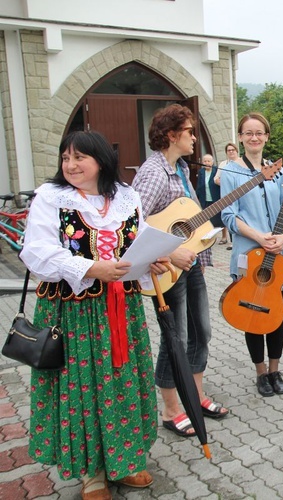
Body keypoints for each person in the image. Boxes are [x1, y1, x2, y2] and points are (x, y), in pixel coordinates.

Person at [20, 131, 170, 500]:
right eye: (65, 158)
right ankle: (93, 473)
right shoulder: (51, 198)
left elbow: (139, 237)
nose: (70, 165)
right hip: (74, 312)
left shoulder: (125, 196)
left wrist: (155, 256)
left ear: (100, 160)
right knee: (83, 386)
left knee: (123, 382)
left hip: (123, 308)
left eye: (78, 158)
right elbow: (35, 252)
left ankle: (125, 459)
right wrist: (90, 268)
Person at [132, 104, 229, 438]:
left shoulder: (183, 171)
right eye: (190, 132)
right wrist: (171, 252)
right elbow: (132, 225)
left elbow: (185, 217)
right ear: (172, 134)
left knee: (202, 334)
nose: (194, 138)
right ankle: (172, 410)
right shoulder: (153, 173)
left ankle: (196, 397)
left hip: (193, 265)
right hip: (168, 271)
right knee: (176, 339)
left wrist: (205, 236)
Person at [221, 112, 283, 397]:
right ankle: (261, 372)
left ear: (266, 136)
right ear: (240, 137)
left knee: (277, 315)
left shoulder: (276, 170)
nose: (254, 138)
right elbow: (228, 215)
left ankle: (276, 369)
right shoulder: (230, 171)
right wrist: (258, 236)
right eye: (248, 133)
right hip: (248, 253)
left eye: (259, 133)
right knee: (251, 316)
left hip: (279, 255)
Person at [195, 153, 227, 244]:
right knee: (207, 219)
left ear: (212, 162)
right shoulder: (201, 172)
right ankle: (209, 237)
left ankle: (224, 237)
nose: (207, 163)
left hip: (216, 196)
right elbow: (199, 185)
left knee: (220, 217)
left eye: (208, 161)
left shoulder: (216, 170)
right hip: (205, 197)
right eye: (205, 161)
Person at [215, 143, 240, 246]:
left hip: (240, 195)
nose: (231, 152)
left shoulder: (241, 163)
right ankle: (232, 242)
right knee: (230, 217)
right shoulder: (223, 164)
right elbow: (216, 179)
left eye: (233, 150)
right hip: (228, 197)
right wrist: (226, 184)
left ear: (237, 151)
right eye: (229, 150)